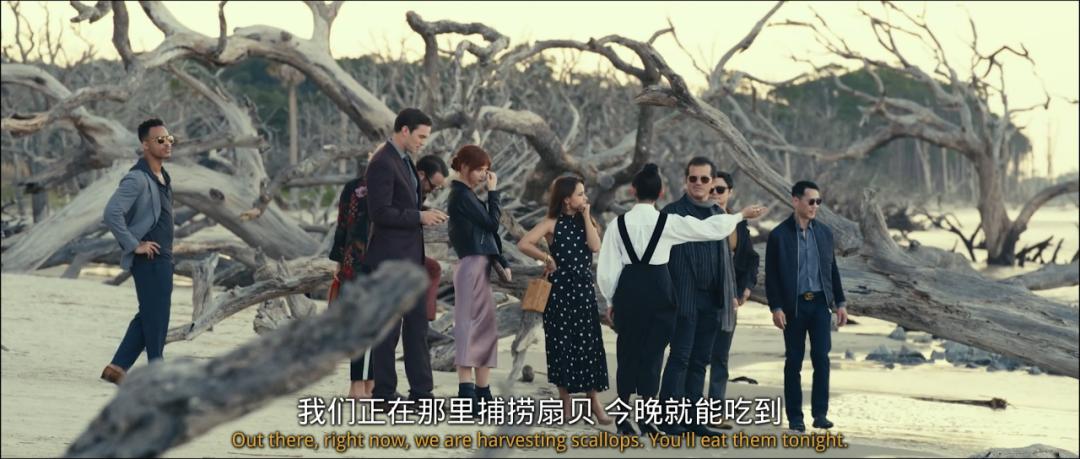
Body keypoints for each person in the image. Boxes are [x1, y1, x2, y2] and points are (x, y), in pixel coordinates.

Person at [596, 163, 767, 437]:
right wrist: (739, 216)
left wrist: (610, 299)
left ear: (633, 191)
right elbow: (708, 229)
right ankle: (647, 420)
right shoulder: (668, 222)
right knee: (653, 356)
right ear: (661, 193)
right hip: (659, 288)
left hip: (629, 288)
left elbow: (607, 267)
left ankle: (623, 421)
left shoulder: (618, 224)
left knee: (627, 353)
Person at [331, 153, 449, 400]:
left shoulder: (360, 187)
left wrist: (338, 259)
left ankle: (368, 385)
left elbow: (342, 226)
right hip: (368, 261)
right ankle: (360, 387)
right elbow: (361, 223)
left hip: (360, 259)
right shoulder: (380, 189)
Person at [365, 108, 448, 403]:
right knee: (388, 331)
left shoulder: (406, 161)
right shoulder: (382, 162)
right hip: (390, 260)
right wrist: (419, 217)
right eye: (420, 136)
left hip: (411, 260)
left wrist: (425, 212)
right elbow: (379, 212)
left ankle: (422, 394)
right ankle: (384, 394)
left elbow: (404, 205)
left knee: (417, 328)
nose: (423, 142)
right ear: (404, 130)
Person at [517, 176, 611, 425]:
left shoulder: (587, 221)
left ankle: (593, 401)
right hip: (559, 292)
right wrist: (547, 258)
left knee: (589, 344)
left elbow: (595, 246)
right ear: (567, 199)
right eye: (580, 194)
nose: (585, 197)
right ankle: (565, 401)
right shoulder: (551, 223)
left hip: (583, 290)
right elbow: (524, 243)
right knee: (560, 344)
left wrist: (587, 215)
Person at [656, 157, 733, 437]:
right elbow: (657, 258)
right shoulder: (671, 213)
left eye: (704, 179)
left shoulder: (718, 215)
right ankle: (667, 418)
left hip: (712, 300)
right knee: (680, 358)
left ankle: (693, 420)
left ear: (712, 182)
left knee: (701, 361)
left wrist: (728, 296)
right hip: (682, 299)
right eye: (693, 178)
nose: (698, 183)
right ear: (685, 181)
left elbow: (724, 258)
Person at [765, 180, 848, 432]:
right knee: (794, 361)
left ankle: (820, 414)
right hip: (794, 307)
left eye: (818, 202)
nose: (815, 206)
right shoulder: (779, 235)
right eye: (811, 201)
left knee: (821, 358)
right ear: (796, 201)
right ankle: (795, 417)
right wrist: (776, 307)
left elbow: (832, 270)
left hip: (820, 304)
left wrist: (840, 303)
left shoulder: (824, 233)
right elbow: (771, 277)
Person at [100, 118, 177, 385]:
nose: (167, 143)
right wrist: (134, 244)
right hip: (150, 257)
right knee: (157, 315)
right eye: (160, 140)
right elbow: (111, 213)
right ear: (145, 145)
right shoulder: (137, 179)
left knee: (149, 313)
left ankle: (117, 368)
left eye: (169, 139)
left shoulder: (163, 176)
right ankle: (156, 370)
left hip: (163, 256)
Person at [446, 144, 504, 408]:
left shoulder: (466, 195)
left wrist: (500, 259)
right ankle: (469, 393)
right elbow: (492, 223)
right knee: (470, 328)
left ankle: (481, 392)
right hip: (472, 265)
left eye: (486, 170)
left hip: (477, 265)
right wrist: (493, 193)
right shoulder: (461, 195)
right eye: (479, 169)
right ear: (464, 167)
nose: (484, 174)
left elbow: (487, 232)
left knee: (482, 329)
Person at [707, 170, 759, 430]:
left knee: (720, 358)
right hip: (699, 300)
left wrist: (745, 290)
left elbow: (751, 259)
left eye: (720, 190)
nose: (715, 194)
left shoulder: (739, 225)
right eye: (711, 189)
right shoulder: (697, 220)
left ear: (730, 192)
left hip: (729, 302)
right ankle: (684, 410)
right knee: (690, 357)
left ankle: (715, 411)